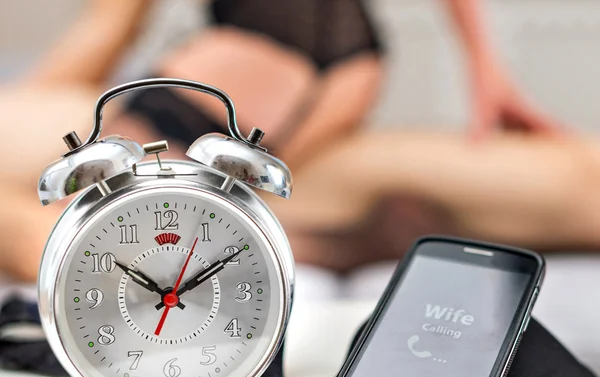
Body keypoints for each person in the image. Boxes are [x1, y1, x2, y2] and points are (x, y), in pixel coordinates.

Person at [0, 0, 578, 280]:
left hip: (262, 49)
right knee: (214, 207)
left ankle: (321, 241)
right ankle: (334, 240)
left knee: (123, 225)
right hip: (349, 66)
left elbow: (113, 21)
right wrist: (484, 67)